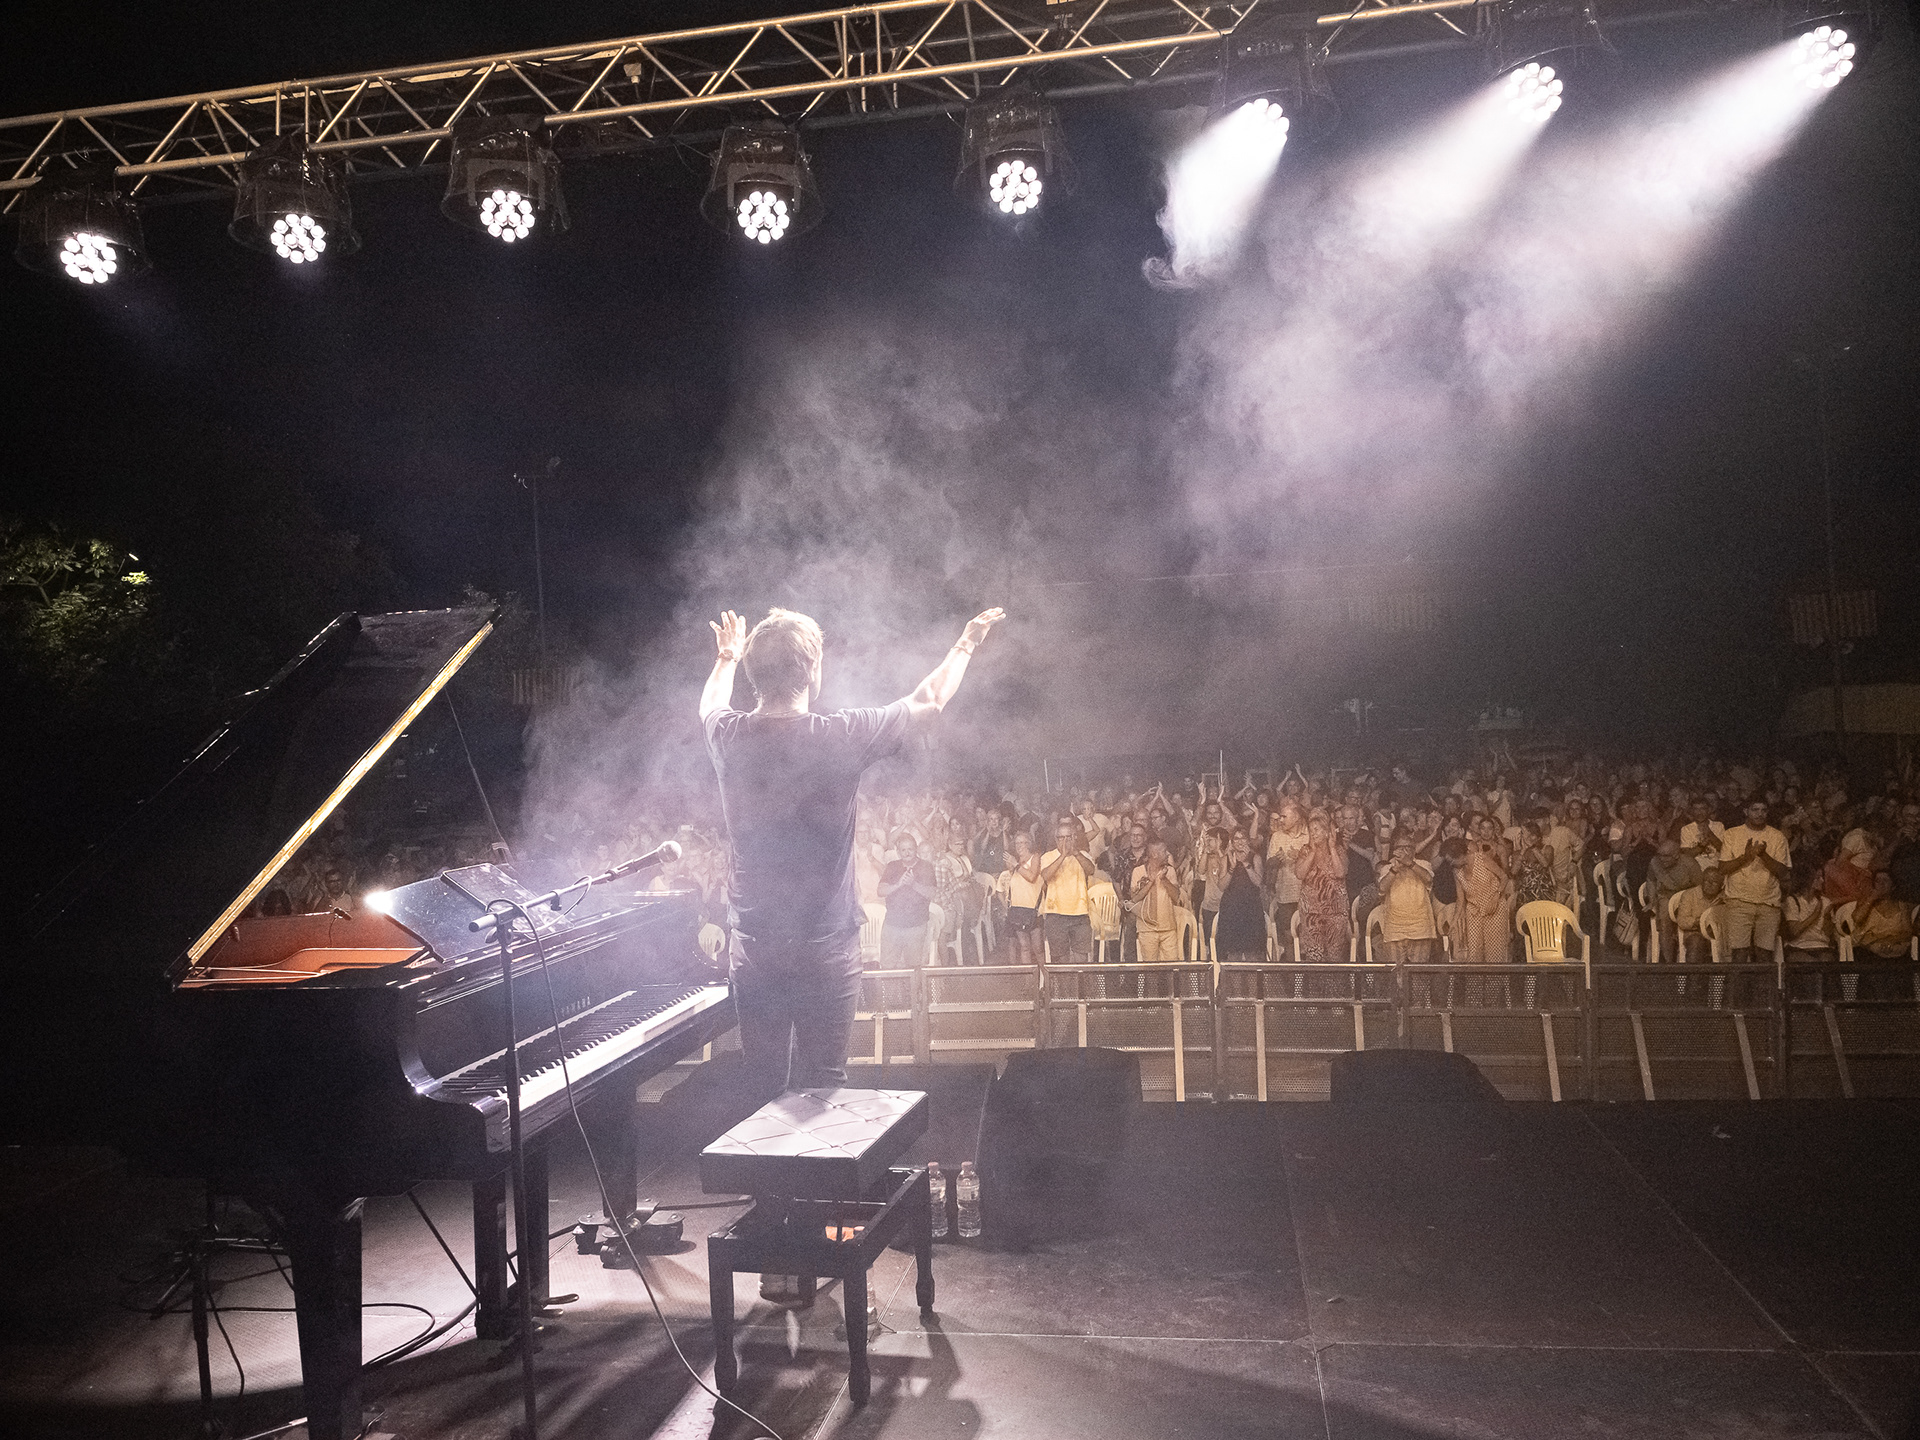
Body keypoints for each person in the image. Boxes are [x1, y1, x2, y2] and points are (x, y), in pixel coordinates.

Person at [700, 603, 1004, 1096]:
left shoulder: (727, 736)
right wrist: (965, 643)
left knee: (764, 1086)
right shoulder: (841, 734)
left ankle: (770, 1172)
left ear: (754, 675)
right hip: (826, 945)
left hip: (755, 946)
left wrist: (726, 657)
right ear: (812, 670)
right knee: (824, 1085)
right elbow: (930, 699)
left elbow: (709, 703)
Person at [1717, 799, 1790, 963]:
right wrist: (1746, 857)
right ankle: (1738, 989)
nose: (1759, 814)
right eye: (1755, 809)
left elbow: (1783, 871)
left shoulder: (1777, 836)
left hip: (1768, 902)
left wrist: (1763, 855)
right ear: (1746, 811)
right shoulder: (1732, 834)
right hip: (1739, 901)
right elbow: (1722, 869)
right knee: (1739, 954)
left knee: (1764, 954)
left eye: (1763, 810)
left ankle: (1763, 990)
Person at [1038, 817, 1097, 964]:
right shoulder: (1048, 856)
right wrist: (1063, 855)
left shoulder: (1083, 855)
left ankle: (1080, 988)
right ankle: (1064, 988)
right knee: (1061, 960)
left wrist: (1075, 853)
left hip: (1080, 913)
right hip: (1055, 914)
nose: (1064, 841)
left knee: (1081, 959)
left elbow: (1090, 870)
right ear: (1056, 839)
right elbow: (1045, 875)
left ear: (1075, 837)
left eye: (1068, 837)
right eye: (1061, 838)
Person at [879, 834, 936, 966]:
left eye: (910, 849)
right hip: (892, 925)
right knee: (888, 967)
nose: (907, 853)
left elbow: (932, 893)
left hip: (916, 926)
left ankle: (914, 988)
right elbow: (880, 891)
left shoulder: (926, 867)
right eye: (903, 850)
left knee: (914, 968)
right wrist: (898, 885)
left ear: (916, 849)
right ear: (898, 852)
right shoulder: (892, 866)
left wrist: (913, 884)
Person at [1130, 837, 1186, 965]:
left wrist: (1164, 879)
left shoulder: (1170, 871)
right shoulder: (1138, 871)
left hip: (1168, 929)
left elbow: (1176, 897)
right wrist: (1151, 881)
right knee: (1151, 970)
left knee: (1172, 969)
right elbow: (1135, 898)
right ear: (1155, 854)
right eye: (1164, 851)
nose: (1168, 854)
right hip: (1147, 929)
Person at [1003, 829, 1043, 965]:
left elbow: (1032, 877)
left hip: (1034, 910)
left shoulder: (1035, 857)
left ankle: (1044, 979)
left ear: (1029, 844)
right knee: (1024, 947)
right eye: (1017, 843)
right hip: (1018, 909)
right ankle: (1029, 982)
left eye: (1023, 843)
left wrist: (1016, 865)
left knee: (1038, 948)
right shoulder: (1015, 861)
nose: (1019, 846)